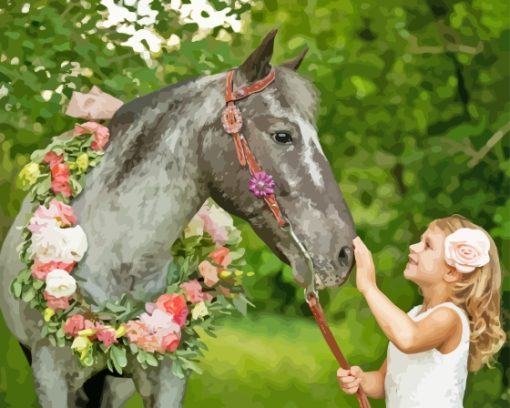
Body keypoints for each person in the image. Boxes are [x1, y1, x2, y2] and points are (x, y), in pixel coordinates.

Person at [337, 214, 506, 407]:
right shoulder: (413, 316)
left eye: (427, 245)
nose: (413, 247)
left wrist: (369, 286)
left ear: (451, 272)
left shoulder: (450, 316)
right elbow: (385, 381)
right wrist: (362, 380)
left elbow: (409, 339)